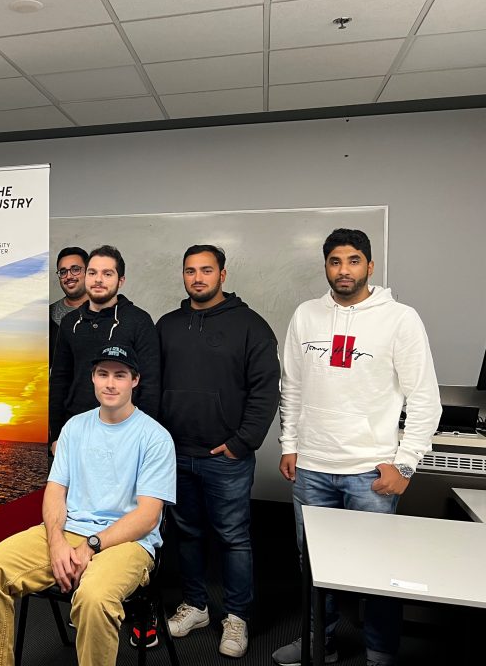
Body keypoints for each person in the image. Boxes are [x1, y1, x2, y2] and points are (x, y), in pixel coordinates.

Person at [272, 228, 442, 666]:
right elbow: (292, 386)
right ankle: (319, 641)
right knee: (313, 563)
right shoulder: (306, 315)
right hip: (312, 467)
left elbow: (425, 398)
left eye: (352, 261)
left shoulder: (400, 318)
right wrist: (290, 444)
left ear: (369, 265)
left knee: (379, 567)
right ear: (325, 266)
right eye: (335, 261)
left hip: (371, 471)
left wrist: (406, 464)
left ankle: (380, 652)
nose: (343, 270)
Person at [0, 345, 176, 666]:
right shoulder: (74, 428)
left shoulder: (155, 437)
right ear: (93, 377)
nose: (110, 383)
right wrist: (56, 541)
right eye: (103, 374)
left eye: (120, 375)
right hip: (69, 531)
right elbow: (55, 492)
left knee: (94, 598)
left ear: (135, 380)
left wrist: (91, 546)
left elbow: (148, 517)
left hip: (128, 542)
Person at [155, 244, 280, 658]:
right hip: (176, 454)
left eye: (206, 270)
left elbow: (265, 390)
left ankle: (237, 617)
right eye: (190, 270)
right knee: (187, 534)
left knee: (234, 539)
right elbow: (152, 385)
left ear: (222, 275)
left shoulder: (251, 326)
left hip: (225, 458)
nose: (197, 278)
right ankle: (196, 606)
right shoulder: (167, 326)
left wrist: (242, 443)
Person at [49, 244, 160, 452]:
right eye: (92, 273)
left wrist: (141, 438)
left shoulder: (139, 321)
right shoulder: (70, 322)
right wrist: (56, 435)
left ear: (121, 281)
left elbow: (150, 385)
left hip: (124, 435)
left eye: (107, 274)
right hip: (75, 433)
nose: (98, 279)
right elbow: (59, 381)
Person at [49, 246, 88, 368]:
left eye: (75, 269)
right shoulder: (46, 316)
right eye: (63, 272)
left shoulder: (107, 312)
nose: (69, 276)